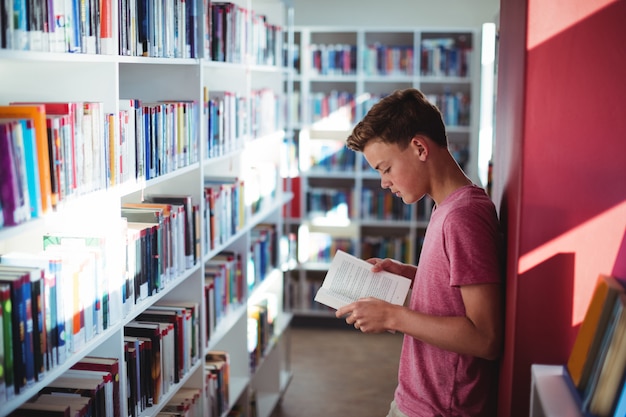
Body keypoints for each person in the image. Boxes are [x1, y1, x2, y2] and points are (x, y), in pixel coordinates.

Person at [336, 88, 504, 417]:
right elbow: (457, 288)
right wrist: (410, 274)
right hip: (418, 399)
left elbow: (486, 338)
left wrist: (391, 315)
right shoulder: (448, 206)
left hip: (440, 408)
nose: (384, 183)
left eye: (385, 168)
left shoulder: (462, 217)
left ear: (418, 148)